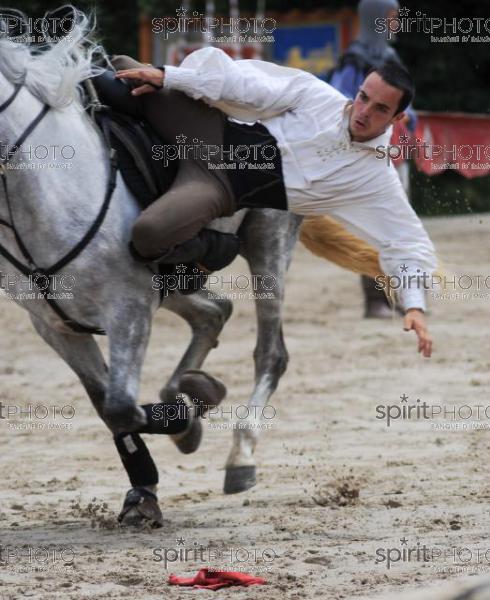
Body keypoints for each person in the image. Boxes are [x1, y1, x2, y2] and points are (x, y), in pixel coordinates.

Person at [99, 46, 434, 357]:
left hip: (220, 186)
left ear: (396, 120)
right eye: (363, 97)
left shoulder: (375, 178)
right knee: (117, 73)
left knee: (147, 234)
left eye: (380, 109)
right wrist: (168, 76)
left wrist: (414, 306)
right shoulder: (318, 96)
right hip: (207, 130)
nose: (363, 112)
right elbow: (247, 85)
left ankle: (214, 249)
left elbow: (405, 240)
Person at [327, 0, 417, 318]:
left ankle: (407, 296)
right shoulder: (355, 60)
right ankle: (375, 299)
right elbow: (341, 104)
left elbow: (407, 107)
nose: (395, 23)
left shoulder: (390, 59)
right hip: (368, 158)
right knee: (372, 229)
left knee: (401, 228)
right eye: (391, 17)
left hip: (395, 155)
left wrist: (409, 121)